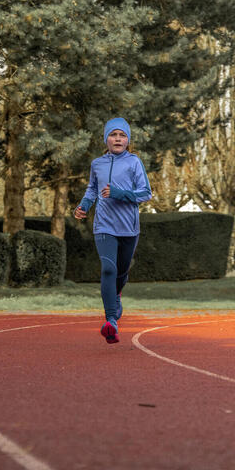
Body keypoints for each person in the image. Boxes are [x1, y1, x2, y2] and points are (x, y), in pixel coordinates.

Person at [74, 117, 152, 344]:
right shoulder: (97, 164)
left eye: (122, 135)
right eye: (113, 135)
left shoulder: (134, 162)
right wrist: (83, 206)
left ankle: (116, 295)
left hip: (128, 227)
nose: (118, 139)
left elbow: (146, 193)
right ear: (106, 138)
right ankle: (111, 322)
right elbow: (91, 190)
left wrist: (119, 193)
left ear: (128, 140)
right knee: (108, 269)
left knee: (122, 272)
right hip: (104, 225)